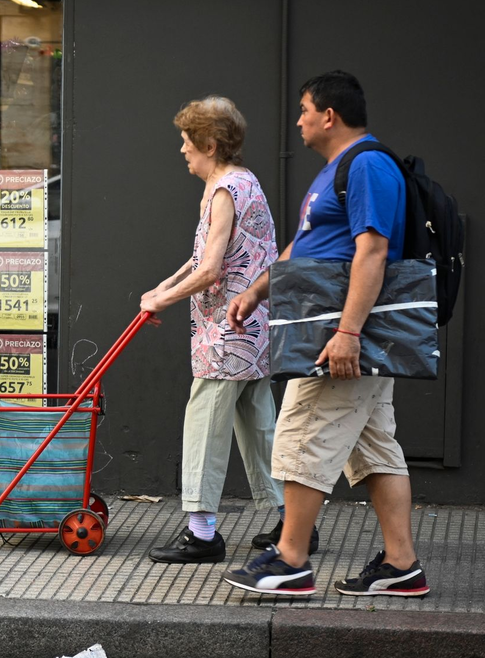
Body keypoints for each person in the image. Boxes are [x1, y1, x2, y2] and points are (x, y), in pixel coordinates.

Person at [222, 71, 429, 597]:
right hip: (336, 331)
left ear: (329, 115)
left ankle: (291, 560)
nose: (298, 121)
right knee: (375, 449)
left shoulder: (368, 165)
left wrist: (348, 333)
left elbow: (373, 251)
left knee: (301, 435)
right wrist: (258, 290)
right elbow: (307, 244)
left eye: (304, 110)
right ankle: (401, 565)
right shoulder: (336, 171)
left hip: (341, 337)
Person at [140, 97, 288, 564]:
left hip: (227, 332)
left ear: (209, 144)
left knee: (205, 422)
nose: (182, 150)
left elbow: (210, 270)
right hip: (252, 328)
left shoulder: (225, 190)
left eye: (187, 142)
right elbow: (201, 258)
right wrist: (164, 285)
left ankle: (202, 534)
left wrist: (163, 299)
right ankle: (293, 521)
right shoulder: (239, 183)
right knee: (258, 424)